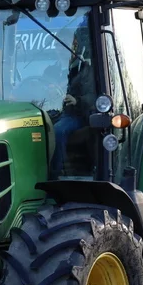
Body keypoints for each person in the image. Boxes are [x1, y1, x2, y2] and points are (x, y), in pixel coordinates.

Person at [51, 27, 96, 176]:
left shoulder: (84, 69)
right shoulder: (51, 70)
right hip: (54, 110)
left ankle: (59, 173)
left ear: (74, 45)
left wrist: (77, 100)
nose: (59, 48)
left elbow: (93, 97)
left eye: (62, 44)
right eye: (57, 45)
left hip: (77, 115)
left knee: (58, 130)